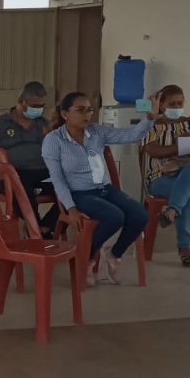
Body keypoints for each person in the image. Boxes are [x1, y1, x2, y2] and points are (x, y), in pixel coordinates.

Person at [42, 92, 156, 285]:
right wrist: (71, 208)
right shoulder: (54, 140)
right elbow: (58, 179)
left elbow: (132, 135)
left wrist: (150, 117)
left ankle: (114, 255)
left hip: (104, 189)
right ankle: (86, 258)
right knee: (114, 216)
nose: (87, 115)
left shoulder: (96, 132)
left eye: (89, 110)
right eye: (80, 110)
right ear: (65, 114)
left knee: (140, 215)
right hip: (79, 193)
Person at [142, 85, 190, 267]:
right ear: (162, 105)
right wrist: (180, 147)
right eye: (172, 104)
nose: (176, 107)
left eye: (179, 103)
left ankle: (172, 210)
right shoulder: (152, 125)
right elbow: (153, 150)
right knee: (188, 194)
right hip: (161, 178)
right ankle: (185, 248)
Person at [0, 82, 60, 237]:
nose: (39, 109)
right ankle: (36, 230)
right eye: (34, 105)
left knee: (75, 186)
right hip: (12, 174)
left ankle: (45, 226)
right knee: (20, 184)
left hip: (42, 173)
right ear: (21, 101)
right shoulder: (0, 124)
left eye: (42, 106)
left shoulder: (44, 124)